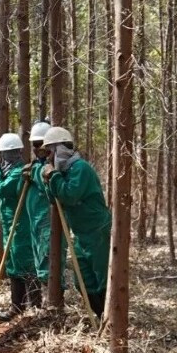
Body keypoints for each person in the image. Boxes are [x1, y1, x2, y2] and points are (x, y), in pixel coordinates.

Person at [40, 126, 111, 317]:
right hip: (80, 234)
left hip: (97, 230)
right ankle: (98, 315)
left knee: (102, 278)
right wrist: (47, 180)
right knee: (84, 280)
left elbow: (69, 195)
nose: (48, 157)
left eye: (50, 151)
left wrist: (53, 176)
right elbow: (54, 199)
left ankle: (108, 320)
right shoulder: (63, 172)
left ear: (60, 149)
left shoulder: (81, 168)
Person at [0, 132, 39, 322]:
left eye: (10, 154)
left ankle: (34, 306)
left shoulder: (19, 171)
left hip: (21, 225)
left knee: (25, 263)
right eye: (4, 154)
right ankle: (17, 306)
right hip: (9, 224)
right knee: (12, 264)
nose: (6, 158)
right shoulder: (6, 171)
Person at [25, 120, 53, 304]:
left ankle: (53, 303)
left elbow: (47, 179)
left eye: (41, 144)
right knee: (36, 261)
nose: (38, 148)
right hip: (34, 220)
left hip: (48, 221)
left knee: (48, 261)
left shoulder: (54, 164)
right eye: (35, 145)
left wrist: (35, 172)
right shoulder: (36, 164)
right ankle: (37, 304)